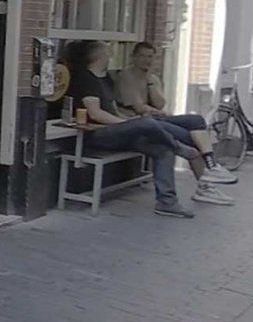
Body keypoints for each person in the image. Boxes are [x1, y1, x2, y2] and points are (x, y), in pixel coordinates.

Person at [69, 41, 235, 217]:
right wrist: (125, 122)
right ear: (98, 56)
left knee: (163, 150)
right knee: (147, 123)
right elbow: (95, 114)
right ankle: (187, 152)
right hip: (98, 133)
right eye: (107, 53)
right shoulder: (87, 79)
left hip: (123, 131)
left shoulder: (106, 79)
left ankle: (167, 202)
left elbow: (118, 108)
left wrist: (128, 120)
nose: (110, 57)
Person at [113, 41, 237, 185]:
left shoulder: (152, 78)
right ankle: (206, 185)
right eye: (142, 56)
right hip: (139, 121)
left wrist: (150, 83)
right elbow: (139, 107)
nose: (146, 60)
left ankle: (211, 166)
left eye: (150, 57)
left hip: (155, 118)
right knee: (191, 139)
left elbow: (160, 103)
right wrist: (159, 112)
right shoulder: (126, 76)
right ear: (133, 57)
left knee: (196, 120)